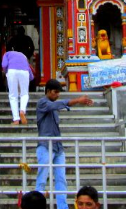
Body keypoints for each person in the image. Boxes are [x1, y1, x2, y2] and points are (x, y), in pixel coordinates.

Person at [35, 79, 93, 209]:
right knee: (42, 178)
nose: (57, 95)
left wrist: (79, 102)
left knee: (61, 178)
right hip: (45, 146)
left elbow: (63, 105)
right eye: (55, 92)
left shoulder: (55, 105)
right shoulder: (42, 103)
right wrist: (78, 100)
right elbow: (59, 104)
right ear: (48, 91)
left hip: (58, 146)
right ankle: (37, 206)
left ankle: (63, 206)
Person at [2, 45, 33, 124]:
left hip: (12, 71)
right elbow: (29, 69)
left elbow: (4, 65)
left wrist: (5, 72)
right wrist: (31, 78)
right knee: (24, 94)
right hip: (25, 72)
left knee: (13, 95)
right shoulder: (23, 56)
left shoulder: (7, 54)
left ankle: (16, 119)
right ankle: (22, 110)